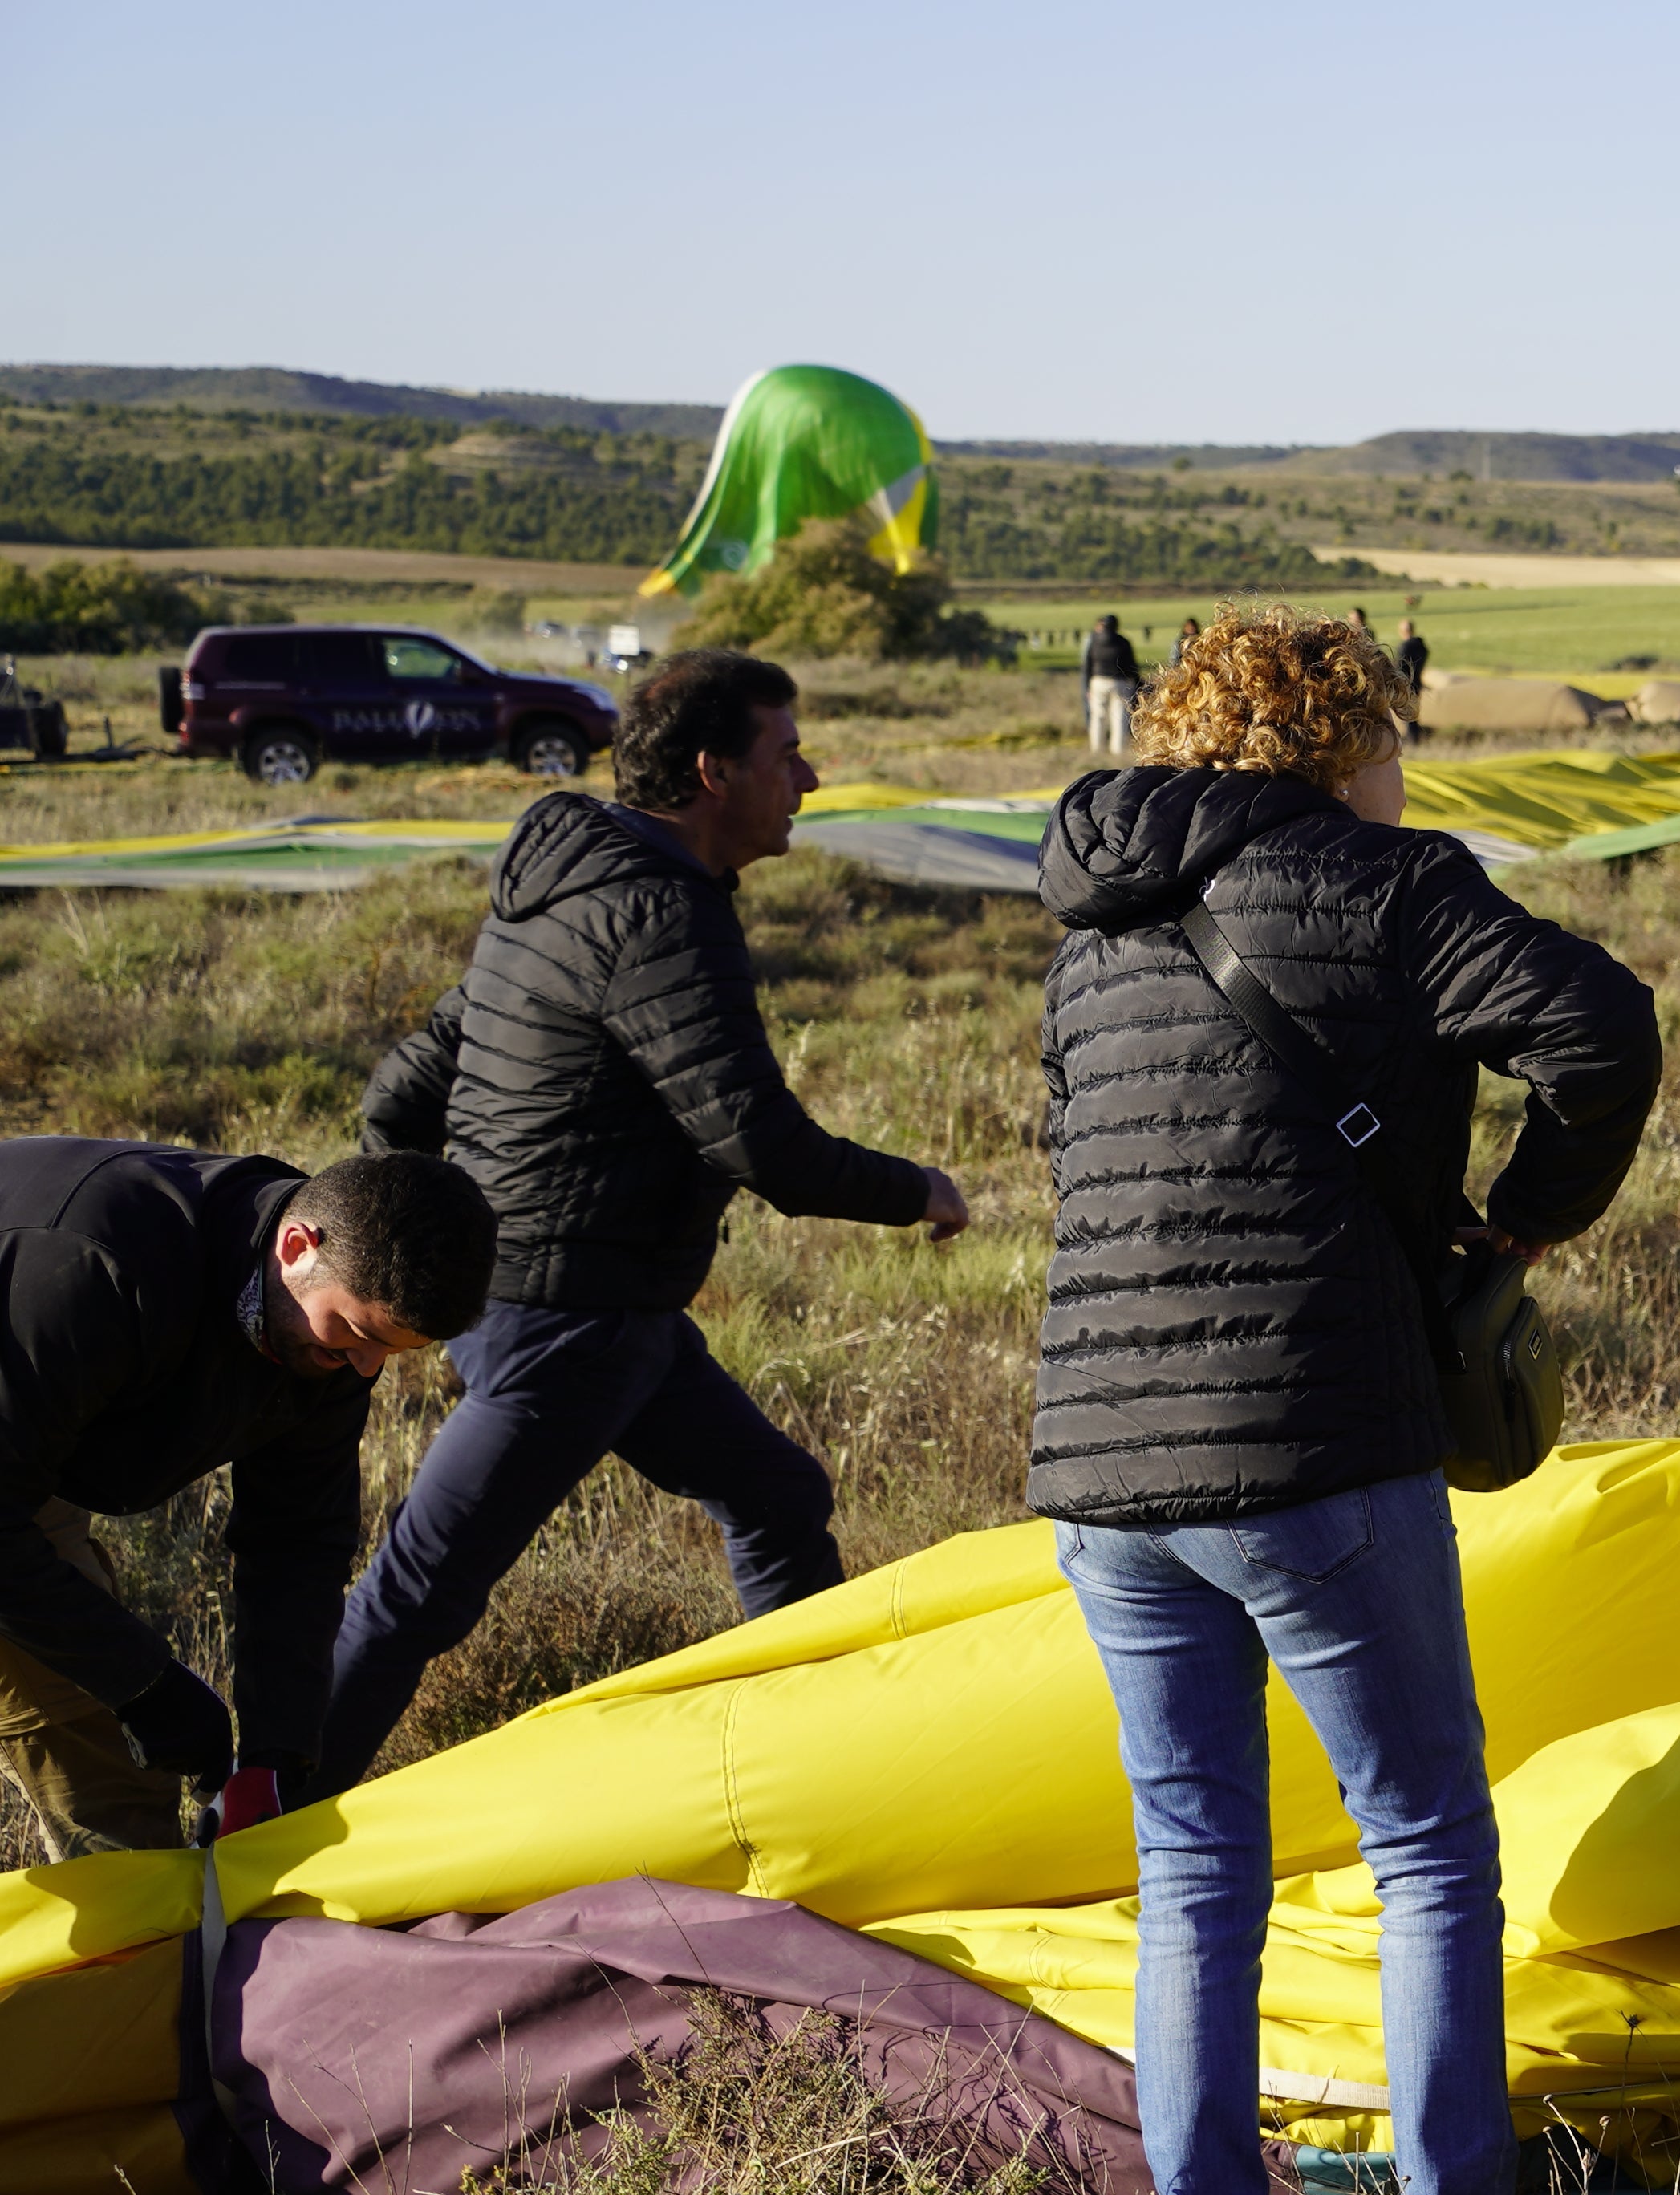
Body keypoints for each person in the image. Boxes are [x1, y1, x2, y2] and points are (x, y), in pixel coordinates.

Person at [1032, 607, 1661, 2195]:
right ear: (1342, 738)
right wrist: (1523, 1223)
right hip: (1313, 1441)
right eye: (1388, 732)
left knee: (1193, 1867)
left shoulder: (1090, 925)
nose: (1405, 766)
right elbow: (1600, 1031)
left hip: (1100, 1468)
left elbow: (1076, 1149)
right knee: (1428, 1851)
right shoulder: (1387, 880)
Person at [325, 652, 976, 1793]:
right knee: (418, 1593)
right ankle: (256, 1817)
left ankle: (816, 1763)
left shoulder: (567, 880)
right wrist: (916, 1188)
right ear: (714, 771)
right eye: (788, 754)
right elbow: (755, 1141)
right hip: (569, 1316)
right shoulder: (660, 911)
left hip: (587, 1303)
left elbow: (405, 1086)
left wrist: (444, 1227)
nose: (810, 777)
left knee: (778, 1498)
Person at [0, 1142, 493, 1860]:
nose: (366, 1368)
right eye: (357, 1335)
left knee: (110, 1770)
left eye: (392, 1351)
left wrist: (277, 1751)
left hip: (22, 1443)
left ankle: (141, 1957)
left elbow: (297, 1537)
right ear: (297, 1246)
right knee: (92, 1699)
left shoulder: (324, 1329)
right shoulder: (96, 1266)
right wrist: (145, 1686)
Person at [1080, 612, 1145, 756]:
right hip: (1119, 682)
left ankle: (1096, 748)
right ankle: (1118, 750)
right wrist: (1137, 682)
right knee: (1119, 716)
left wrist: (1087, 685)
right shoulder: (1123, 642)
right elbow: (1131, 665)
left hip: (1097, 681)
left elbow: (1087, 665)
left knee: (1098, 717)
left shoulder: (1094, 641)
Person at [1392, 615, 1430, 742]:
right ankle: (1415, 738)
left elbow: (1400, 667)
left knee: (1408, 715)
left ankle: (1413, 740)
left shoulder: (1405, 648)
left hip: (1406, 684)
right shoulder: (1422, 647)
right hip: (1417, 682)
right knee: (1413, 713)